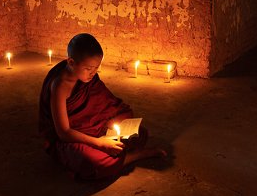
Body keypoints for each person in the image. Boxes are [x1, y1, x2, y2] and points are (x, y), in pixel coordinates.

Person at [38, 33, 165, 180]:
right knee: (96, 162)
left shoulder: (86, 77)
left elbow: (106, 105)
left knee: (139, 133)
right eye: (89, 68)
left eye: (96, 68)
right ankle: (134, 156)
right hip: (73, 137)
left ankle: (114, 154)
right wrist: (100, 144)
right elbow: (64, 133)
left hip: (94, 128)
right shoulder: (60, 86)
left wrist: (112, 129)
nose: (93, 73)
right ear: (71, 62)